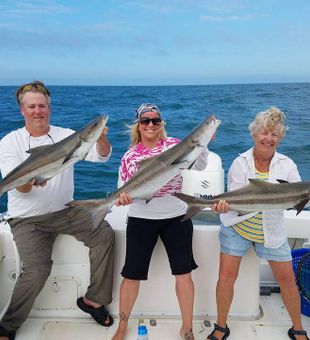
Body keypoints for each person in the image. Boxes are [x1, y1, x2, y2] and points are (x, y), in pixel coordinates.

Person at [0, 81, 115, 340]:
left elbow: (102, 157)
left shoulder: (66, 135)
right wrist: (31, 180)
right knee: (38, 270)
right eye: (32, 106)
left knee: (104, 233)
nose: (38, 111)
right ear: (22, 110)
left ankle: (93, 301)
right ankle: (8, 325)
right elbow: (21, 189)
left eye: (42, 105)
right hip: (27, 220)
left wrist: (102, 137)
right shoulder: (10, 142)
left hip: (65, 212)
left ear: (49, 107)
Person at [112, 103, 212, 340]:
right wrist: (123, 198)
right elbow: (121, 190)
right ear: (138, 124)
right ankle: (122, 325)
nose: (150, 125)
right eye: (145, 120)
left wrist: (204, 143)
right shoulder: (130, 156)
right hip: (141, 217)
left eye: (155, 121)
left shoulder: (175, 145)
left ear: (161, 124)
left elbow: (200, 164)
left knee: (183, 274)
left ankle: (186, 327)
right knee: (131, 275)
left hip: (176, 216)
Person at [208, 107, 309, 340]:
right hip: (237, 227)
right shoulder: (240, 163)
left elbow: (295, 199)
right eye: (264, 132)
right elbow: (235, 200)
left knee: (287, 280)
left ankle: (297, 328)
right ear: (254, 134)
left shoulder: (288, 166)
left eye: (275, 134)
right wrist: (224, 205)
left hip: (271, 230)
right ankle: (221, 326)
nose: (268, 139)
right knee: (226, 278)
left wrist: (301, 199)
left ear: (280, 138)